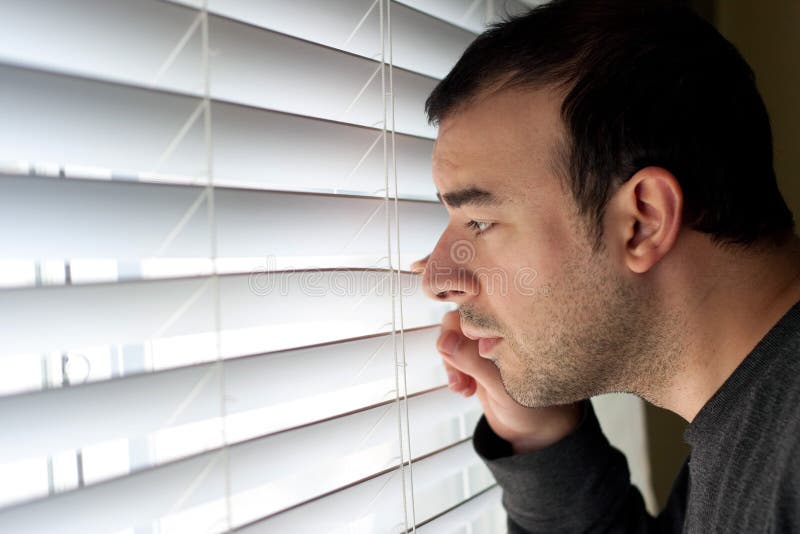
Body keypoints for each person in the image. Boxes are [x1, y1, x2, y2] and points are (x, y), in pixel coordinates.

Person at [409, 0, 800, 531]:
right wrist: (541, 439)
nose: (436, 280)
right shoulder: (752, 421)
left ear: (643, 221)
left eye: (479, 221)